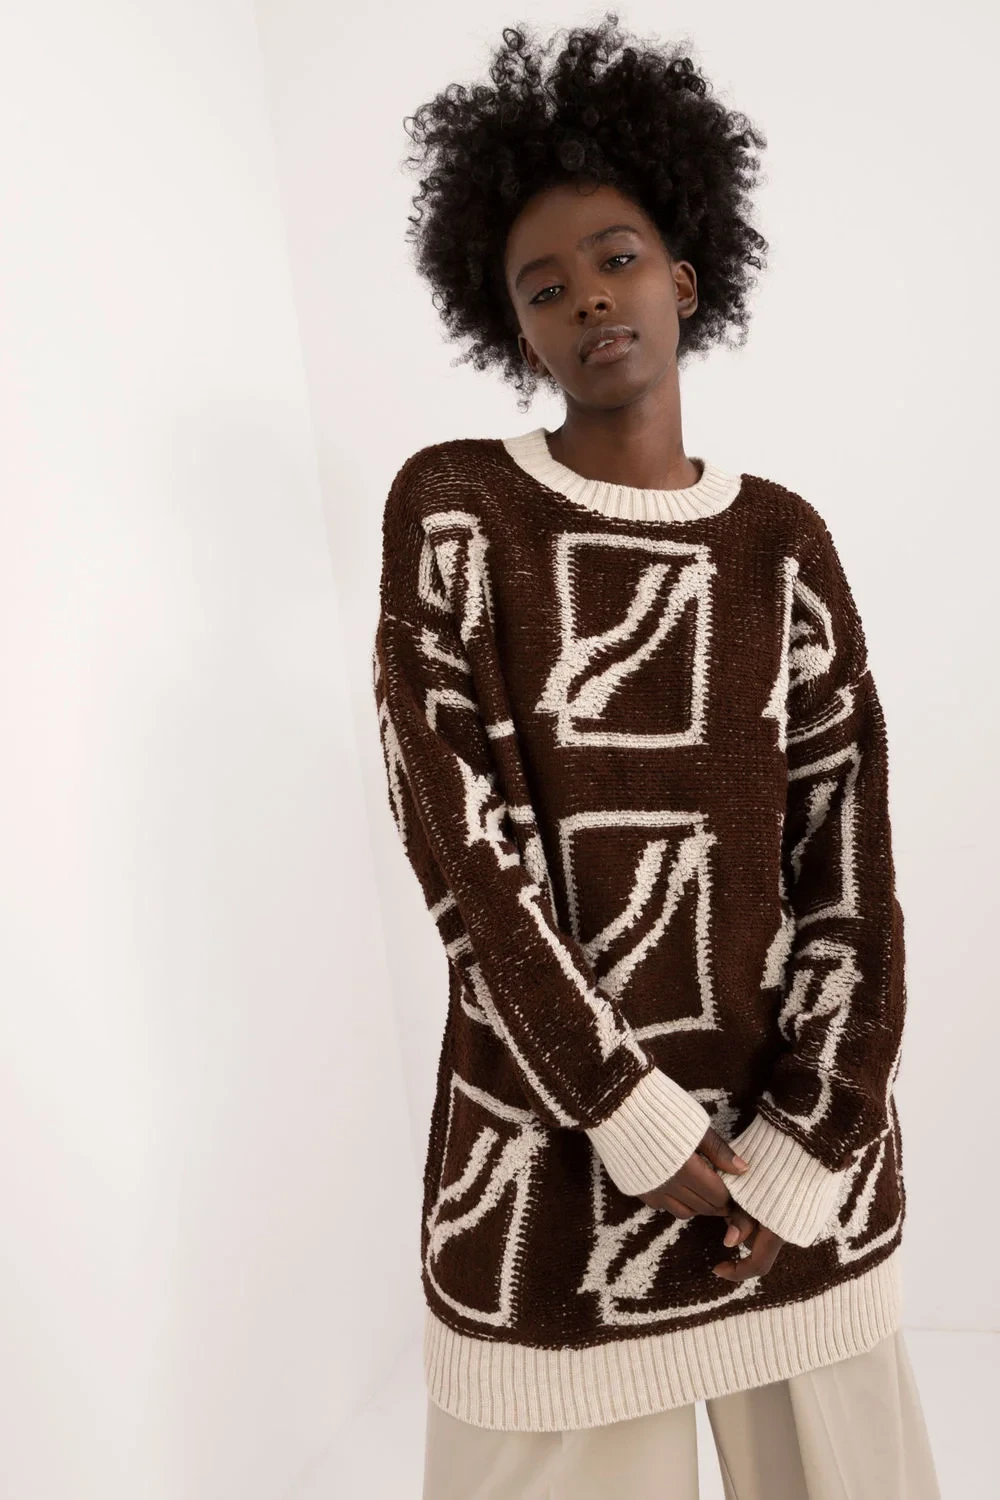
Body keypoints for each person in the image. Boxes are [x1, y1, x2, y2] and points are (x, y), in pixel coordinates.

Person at [372, 13, 942, 1498]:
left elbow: (852, 869)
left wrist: (811, 1143)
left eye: (616, 258)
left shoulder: (783, 543)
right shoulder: (456, 512)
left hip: (788, 1180)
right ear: (514, 330)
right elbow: (461, 851)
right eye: (542, 286)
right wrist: (621, 1105)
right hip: (551, 1177)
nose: (588, 298)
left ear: (685, 277)